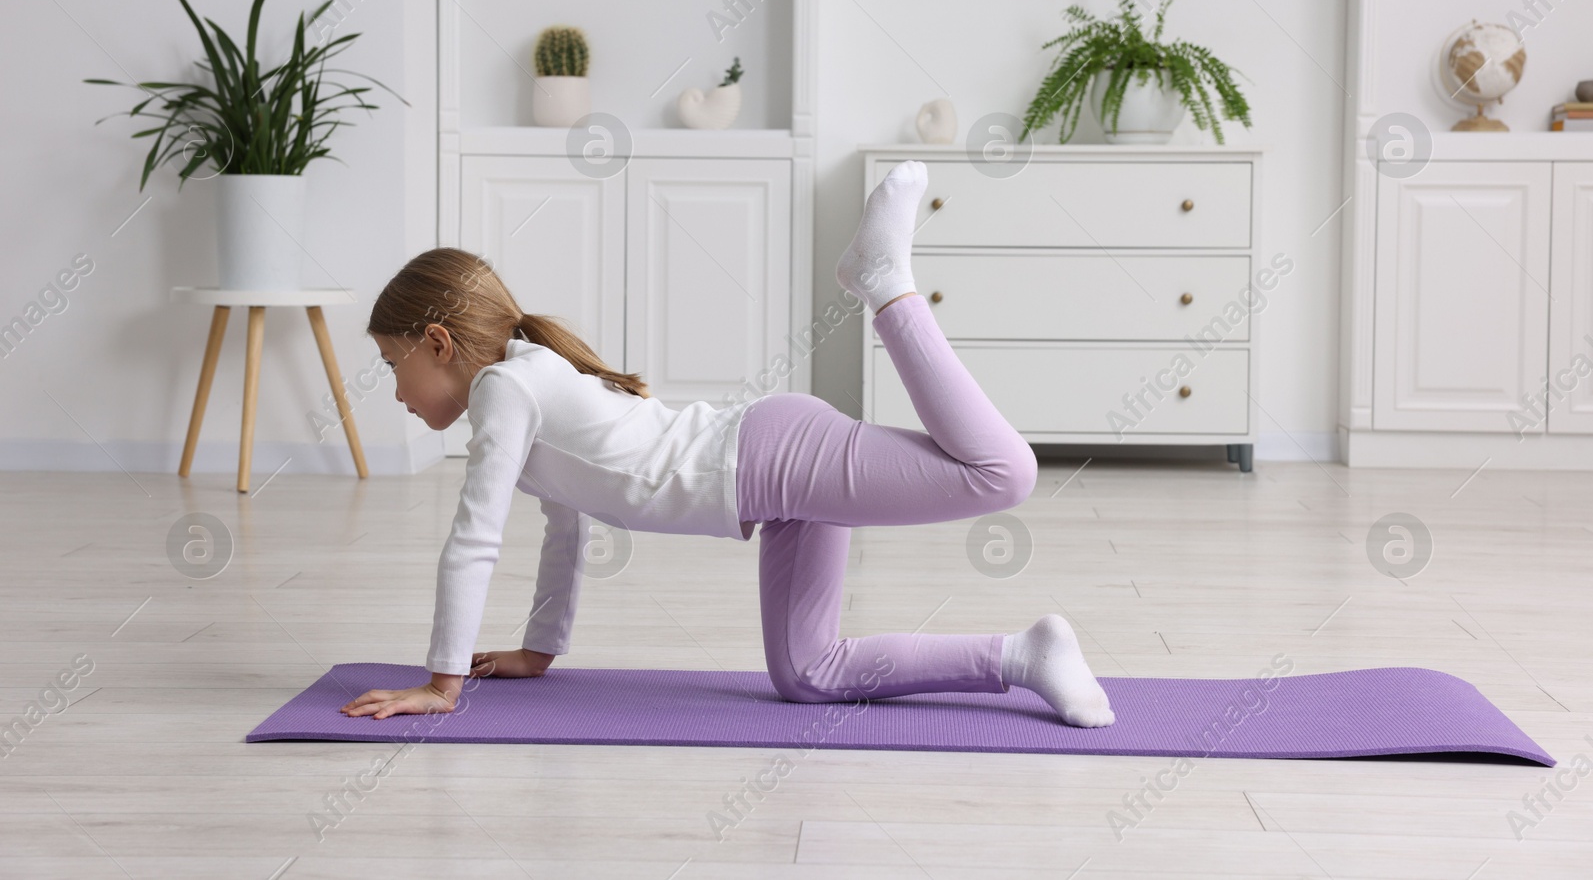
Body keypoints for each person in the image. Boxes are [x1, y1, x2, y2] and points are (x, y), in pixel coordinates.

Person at [341, 160, 1114, 728]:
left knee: (1001, 473)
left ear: (437, 342)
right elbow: (563, 524)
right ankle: (1023, 655)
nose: (397, 392)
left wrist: (442, 682)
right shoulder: (520, 388)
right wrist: (539, 650)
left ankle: (885, 286)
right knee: (807, 674)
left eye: (391, 364)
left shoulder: (505, 388)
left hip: (771, 455)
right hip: (771, 486)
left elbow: (473, 539)